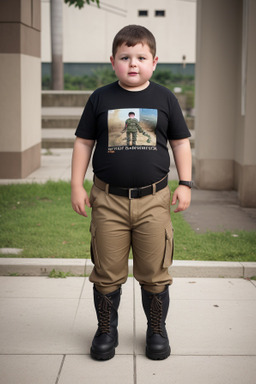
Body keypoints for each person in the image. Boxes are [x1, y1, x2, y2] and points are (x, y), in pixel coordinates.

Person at [71, 25, 192, 361]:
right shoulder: (100, 97)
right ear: (113, 62)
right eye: (125, 57)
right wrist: (75, 184)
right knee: (107, 271)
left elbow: (181, 143)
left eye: (141, 57)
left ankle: (156, 329)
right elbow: (83, 142)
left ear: (154, 61)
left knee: (155, 271)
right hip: (107, 201)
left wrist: (185, 183)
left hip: (154, 201)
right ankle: (106, 329)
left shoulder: (165, 98)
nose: (133, 64)